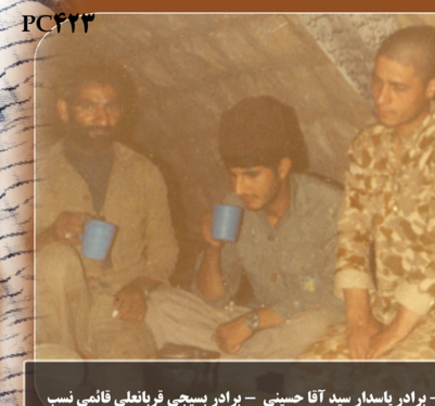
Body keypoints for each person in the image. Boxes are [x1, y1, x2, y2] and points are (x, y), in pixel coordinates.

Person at [302, 25, 435, 360]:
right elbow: (353, 231)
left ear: (431, 87)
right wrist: (358, 318)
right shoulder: (368, 144)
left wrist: (396, 332)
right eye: (377, 81)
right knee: (307, 376)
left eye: (398, 87)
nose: (381, 97)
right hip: (387, 307)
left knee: (388, 388)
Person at [146, 96, 345, 359]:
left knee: (317, 325)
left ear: (282, 168)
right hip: (260, 330)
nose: (240, 188)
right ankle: (243, 360)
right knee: (160, 305)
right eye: (233, 175)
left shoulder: (329, 205)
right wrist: (212, 249)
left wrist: (254, 321)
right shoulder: (234, 207)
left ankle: (223, 358)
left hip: (297, 322)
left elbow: (337, 296)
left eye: (252, 175)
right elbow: (211, 299)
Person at [35, 62, 178, 359]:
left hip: (115, 305)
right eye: (88, 106)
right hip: (52, 309)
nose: (102, 118)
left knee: (132, 367)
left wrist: (139, 287)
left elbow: (164, 253)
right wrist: (49, 235)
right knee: (58, 261)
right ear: (64, 110)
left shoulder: (144, 173)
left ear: (122, 111)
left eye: (111, 107)